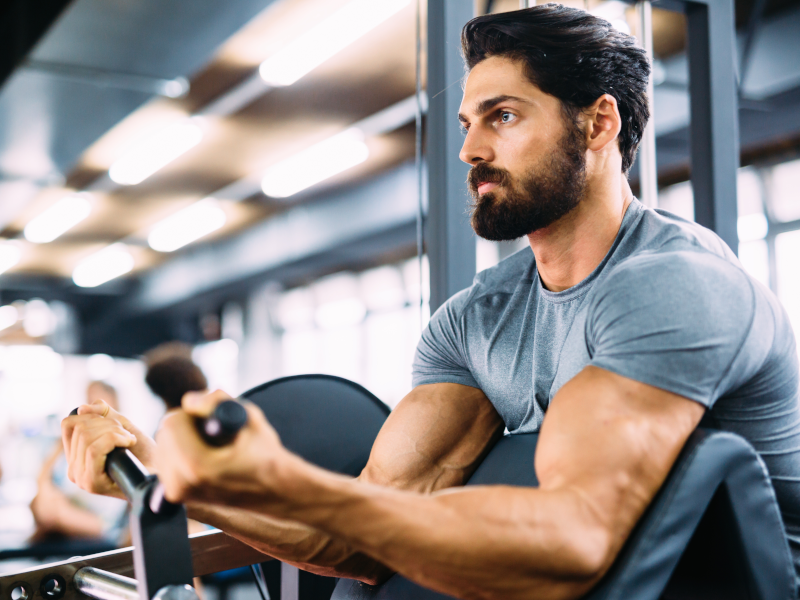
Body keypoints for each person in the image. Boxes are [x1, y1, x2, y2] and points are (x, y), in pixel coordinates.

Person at [61, 5, 800, 599]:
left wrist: (284, 480)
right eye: (467, 123)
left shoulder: (675, 285)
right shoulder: (475, 320)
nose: (469, 150)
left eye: (503, 116)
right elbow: (363, 537)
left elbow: (575, 542)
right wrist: (176, 483)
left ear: (598, 123)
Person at [31, 381, 127, 543]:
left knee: (50, 512)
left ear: (113, 402)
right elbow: (43, 476)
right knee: (40, 503)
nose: (90, 405)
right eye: (88, 399)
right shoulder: (74, 437)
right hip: (72, 506)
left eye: (97, 399)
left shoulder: (121, 438)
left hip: (104, 522)